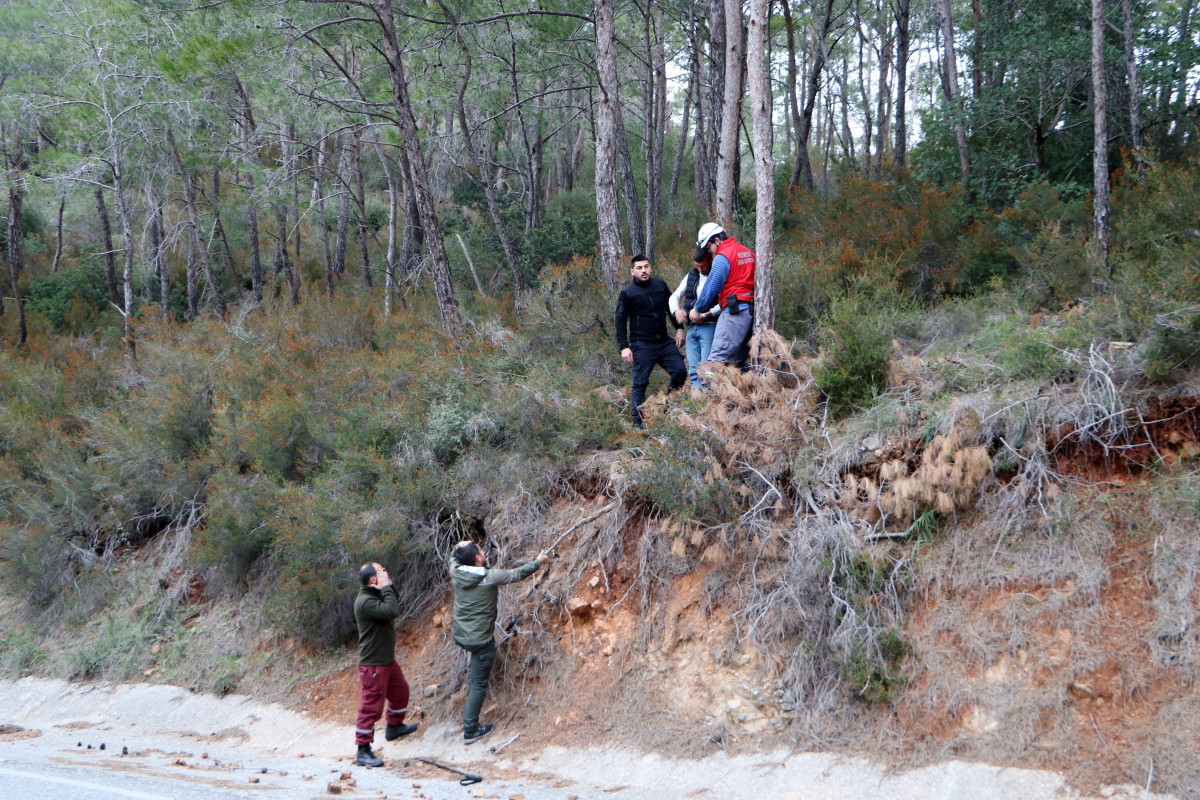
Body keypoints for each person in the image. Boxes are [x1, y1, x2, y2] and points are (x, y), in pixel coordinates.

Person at [450, 541, 550, 744]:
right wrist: (538, 562)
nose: (484, 552)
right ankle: (470, 730)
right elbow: (517, 574)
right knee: (478, 684)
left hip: (460, 636)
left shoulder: (456, 572)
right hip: (480, 641)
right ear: (478, 558)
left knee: (475, 675)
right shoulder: (490, 577)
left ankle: (471, 694)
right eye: (481, 551)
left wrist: (456, 549)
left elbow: (452, 560)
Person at [353, 562, 418, 768]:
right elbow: (392, 610)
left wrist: (387, 584)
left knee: (401, 693)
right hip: (373, 665)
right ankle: (363, 750)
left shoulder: (375, 594)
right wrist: (386, 586)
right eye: (381, 572)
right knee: (370, 707)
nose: (385, 574)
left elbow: (394, 600)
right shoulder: (364, 601)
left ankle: (394, 727)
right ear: (373, 580)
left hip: (387, 661)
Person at [614, 254, 687, 427]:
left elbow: (671, 307)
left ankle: (668, 412)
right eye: (639, 268)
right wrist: (624, 347)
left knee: (680, 372)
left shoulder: (660, 285)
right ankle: (638, 424)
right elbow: (620, 320)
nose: (643, 270)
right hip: (642, 344)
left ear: (650, 268)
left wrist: (679, 328)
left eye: (646, 266)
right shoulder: (627, 293)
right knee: (640, 383)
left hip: (664, 342)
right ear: (632, 271)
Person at [689, 223, 757, 376]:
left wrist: (697, 309)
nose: (709, 252)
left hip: (734, 313)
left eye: (709, 247)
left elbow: (712, 286)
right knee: (740, 362)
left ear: (717, 241)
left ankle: (709, 397)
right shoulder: (747, 252)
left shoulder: (723, 255)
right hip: (751, 312)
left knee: (714, 362)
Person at [668, 250, 721, 388]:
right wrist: (676, 311)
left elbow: (723, 304)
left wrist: (705, 315)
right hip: (691, 328)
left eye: (703, 265)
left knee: (708, 370)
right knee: (693, 371)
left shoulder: (718, 276)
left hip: (709, 327)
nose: (700, 269)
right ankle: (698, 401)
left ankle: (710, 402)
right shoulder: (692, 275)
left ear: (710, 261)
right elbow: (674, 296)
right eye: (697, 265)